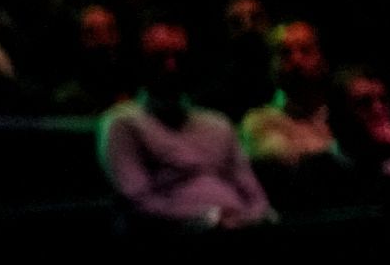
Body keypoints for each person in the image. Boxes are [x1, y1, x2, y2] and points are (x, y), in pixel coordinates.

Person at [97, 20, 272, 230]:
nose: (171, 66)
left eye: (179, 57)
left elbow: (253, 192)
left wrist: (254, 217)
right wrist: (209, 219)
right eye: (159, 58)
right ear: (141, 62)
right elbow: (138, 200)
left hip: (241, 230)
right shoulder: (122, 123)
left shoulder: (218, 124)